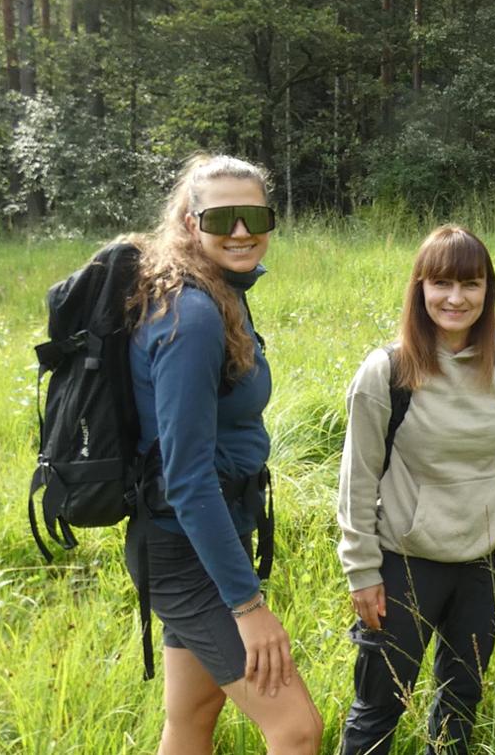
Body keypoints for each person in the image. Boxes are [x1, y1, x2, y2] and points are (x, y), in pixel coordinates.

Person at [124, 154, 323, 755]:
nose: (242, 231)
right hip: (186, 550)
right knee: (295, 730)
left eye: (254, 214)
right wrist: (247, 604)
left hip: (198, 541)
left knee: (192, 717)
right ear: (190, 223)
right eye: (222, 217)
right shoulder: (193, 314)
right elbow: (187, 479)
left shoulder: (217, 292)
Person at [337, 224, 495, 755]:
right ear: (420, 289)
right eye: (441, 283)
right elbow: (356, 479)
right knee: (379, 707)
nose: (455, 298)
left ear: (487, 292)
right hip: (404, 566)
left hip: (481, 565)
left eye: (470, 284)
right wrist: (361, 571)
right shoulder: (388, 372)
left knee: (460, 705)